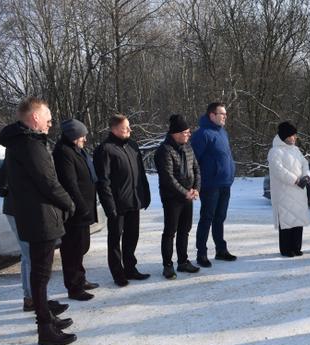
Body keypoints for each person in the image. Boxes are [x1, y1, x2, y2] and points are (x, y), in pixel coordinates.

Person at [0, 97, 76, 345]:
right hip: (39, 216)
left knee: (40, 274)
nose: (50, 123)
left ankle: (46, 319)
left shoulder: (21, 143)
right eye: (47, 117)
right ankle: (45, 327)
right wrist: (69, 202)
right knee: (40, 274)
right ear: (34, 118)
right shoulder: (29, 145)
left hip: (36, 215)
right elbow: (48, 182)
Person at [0, 163, 68, 315]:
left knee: (28, 256)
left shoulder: (23, 150)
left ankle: (32, 298)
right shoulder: (19, 150)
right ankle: (35, 300)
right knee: (31, 256)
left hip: (23, 210)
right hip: (18, 211)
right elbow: (0, 183)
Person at [94, 114, 151, 287]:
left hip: (134, 200)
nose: (129, 130)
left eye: (129, 127)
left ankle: (130, 268)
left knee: (132, 236)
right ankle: (118, 273)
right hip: (117, 204)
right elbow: (103, 181)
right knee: (115, 240)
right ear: (114, 129)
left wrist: (145, 195)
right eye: (125, 127)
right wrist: (109, 206)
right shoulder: (105, 149)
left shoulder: (133, 146)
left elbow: (141, 174)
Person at [53, 119, 100, 301]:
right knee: (72, 249)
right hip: (75, 211)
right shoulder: (63, 153)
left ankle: (81, 279)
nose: (85, 140)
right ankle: (74, 287)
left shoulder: (77, 150)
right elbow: (71, 184)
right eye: (82, 136)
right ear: (73, 135)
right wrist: (81, 206)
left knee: (81, 246)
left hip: (85, 208)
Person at [154, 114, 201, 279]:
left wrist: (196, 189)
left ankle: (183, 262)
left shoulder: (188, 147)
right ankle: (167, 265)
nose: (188, 135)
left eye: (189, 132)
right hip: (172, 198)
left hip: (188, 196)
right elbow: (168, 178)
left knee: (185, 230)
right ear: (175, 133)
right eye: (185, 132)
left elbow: (196, 168)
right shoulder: (164, 150)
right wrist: (185, 192)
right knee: (170, 232)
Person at [190, 102, 237, 268]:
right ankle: (201, 253)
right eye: (222, 113)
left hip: (225, 183)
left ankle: (221, 250)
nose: (225, 116)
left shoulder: (222, 132)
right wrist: (195, 184)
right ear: (212, 115)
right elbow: (193, 161)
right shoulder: (202, 134)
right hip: (210, 185)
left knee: (220, 218)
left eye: (225, 113)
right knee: (207, 218)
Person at [267, 122, 310, 257]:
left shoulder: (296, 150)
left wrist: (306, 176)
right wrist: (295, 180)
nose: (294, 138)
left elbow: (305, 164)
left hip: (299, 191)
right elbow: (278, 170)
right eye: (292, 135)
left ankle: (296, 247)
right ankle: (286, 249)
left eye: (295, 135)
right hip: (284, 191)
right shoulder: (275, 151)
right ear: (285, 136)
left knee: (297, 219)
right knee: (286, 220)